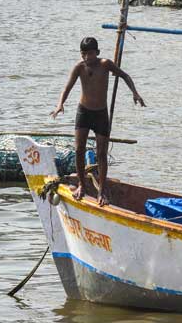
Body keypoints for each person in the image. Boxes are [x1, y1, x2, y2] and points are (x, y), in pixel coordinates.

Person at [50, 37, 146, 205]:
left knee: (101, 153)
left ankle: (101, 190)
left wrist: (135, 93)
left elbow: (125, 76)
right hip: (84, 112)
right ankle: (81, 184)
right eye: (84, 54)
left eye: (91, 54)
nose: (87, 57)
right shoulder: (79, 67)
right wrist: (60, 104)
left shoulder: (105, 64)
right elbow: (67, 87)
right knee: (79, 149)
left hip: (101, 114)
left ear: (97, 53)